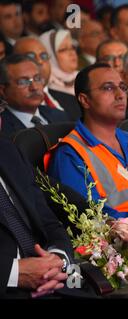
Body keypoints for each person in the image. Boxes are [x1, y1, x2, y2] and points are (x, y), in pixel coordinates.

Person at [46, 63, 128, 220]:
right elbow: (92, 217)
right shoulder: (70, 154)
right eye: (108, 88)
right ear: (85, 100)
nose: (120, 95)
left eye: (122, 87)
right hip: (124, 240)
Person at [0, 100, 71, 299]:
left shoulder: (8, 151)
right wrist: (15, 273)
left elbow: (48, 221)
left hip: (53, 280)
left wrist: (58, 258)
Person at [13, 36, 80, 121]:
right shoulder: (15, 106)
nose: (40, 61)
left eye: (44, 56)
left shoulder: (71, 99)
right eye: (30, 57)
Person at [0, 54, 68, 137]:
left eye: (37, 79)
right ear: (3, 91)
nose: (34, 87)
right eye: (23, 82)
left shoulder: (61, 117)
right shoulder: (3, 129)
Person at [40, 29, 78, 96]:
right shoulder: (45, 87)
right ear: (49, 55)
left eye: (72, 47)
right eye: (63, 49)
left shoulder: (82, 78)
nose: (72, 53)